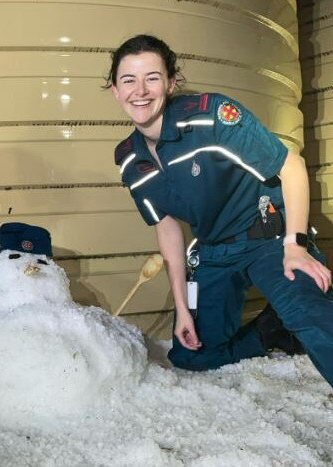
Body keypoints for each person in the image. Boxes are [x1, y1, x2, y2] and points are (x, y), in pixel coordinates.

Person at [106, 34, 333, 385]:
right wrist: (181, 309)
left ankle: (298, 313)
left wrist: (296, 246)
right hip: (214, 252)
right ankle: (270, 332)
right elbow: (166, 228)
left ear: (170, 82)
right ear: (115, 90)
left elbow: (292, 167)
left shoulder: (211, 115)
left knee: (312, 318)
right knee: (190, 355)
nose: (141, 90)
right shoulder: (129, 159)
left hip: (270, 239)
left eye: (152, 77)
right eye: (128, 80)